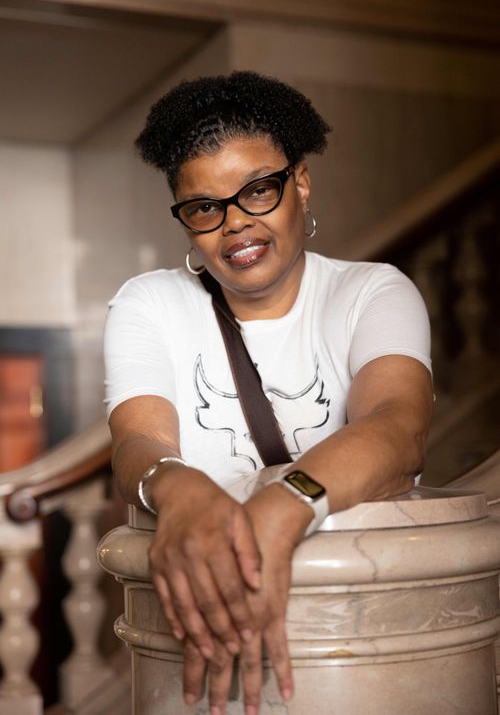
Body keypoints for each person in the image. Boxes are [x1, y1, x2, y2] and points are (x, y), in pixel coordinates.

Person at [104, 71, 433, 715]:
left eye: (258, 190)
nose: (235, 224)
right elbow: (137, 439)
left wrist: (286, 502)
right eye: (205, 207)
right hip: (199, 648)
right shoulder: (150, 303)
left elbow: (399, 428)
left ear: (300, 183)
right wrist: (178, 487)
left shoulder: (372, 292)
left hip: (365, 635)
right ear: (185, 220)